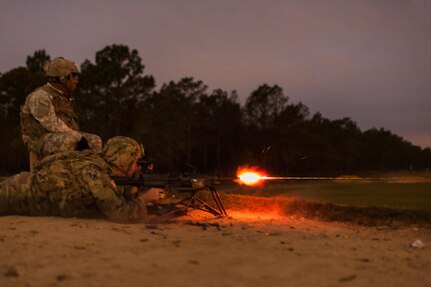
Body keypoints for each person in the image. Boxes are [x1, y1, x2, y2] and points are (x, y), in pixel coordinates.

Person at [0, 136, 162, 223]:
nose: (138, 167)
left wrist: (132, 189)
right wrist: (144, 199)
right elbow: (119, 213)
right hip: (18, 196)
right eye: (135, 162)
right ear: (122, 161)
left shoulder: (100, 162)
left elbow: (119, 197)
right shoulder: (96, 175)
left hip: (23, 183)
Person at [20, 57, 102, 159]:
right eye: (74, 76)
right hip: (37, 139)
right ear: (63, 78)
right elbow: (51, 124)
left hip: (61, 136)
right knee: (70, 141)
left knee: (95, 140)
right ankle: (61, 173)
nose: (76, 81)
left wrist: (80, 138)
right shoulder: (41, 96)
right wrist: (79, 138)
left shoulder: (63, 97)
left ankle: (90, 172)